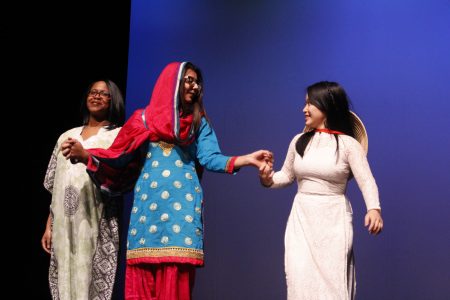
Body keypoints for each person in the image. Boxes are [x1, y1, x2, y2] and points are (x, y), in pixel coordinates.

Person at [62, 61, 273, 300]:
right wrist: (87, 155)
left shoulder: (197, 123)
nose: (195, 86)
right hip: (147, 213)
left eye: (197, 82)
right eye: (189, 80)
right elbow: (118, 155)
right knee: (142, 281)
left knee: (176, 284)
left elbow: (210, 158)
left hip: (181, 212)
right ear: (172, 83)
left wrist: (246, 159)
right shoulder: (142, 119)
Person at [259, 81, 383, 300]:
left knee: (332, 282)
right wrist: (268, 178)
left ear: (326, 105)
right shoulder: (299, 141)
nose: (304, 109)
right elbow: (286, 176)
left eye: (309, 103)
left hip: (333, 218)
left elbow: (366, 181)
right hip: (302, 218)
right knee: (299, 277)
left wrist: (374, 209)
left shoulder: (348, 145)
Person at [41, 79, 125, 300]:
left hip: (95, 220)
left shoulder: (118, 136)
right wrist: (50, 225)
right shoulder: (66, 136)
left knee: (88, 281)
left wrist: (89, 157)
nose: (96, 96)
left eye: (103, 94)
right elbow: (55, 186)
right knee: (64, 282)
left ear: (112, 100)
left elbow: (119, 179)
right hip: (64, 225)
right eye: (92, 92)